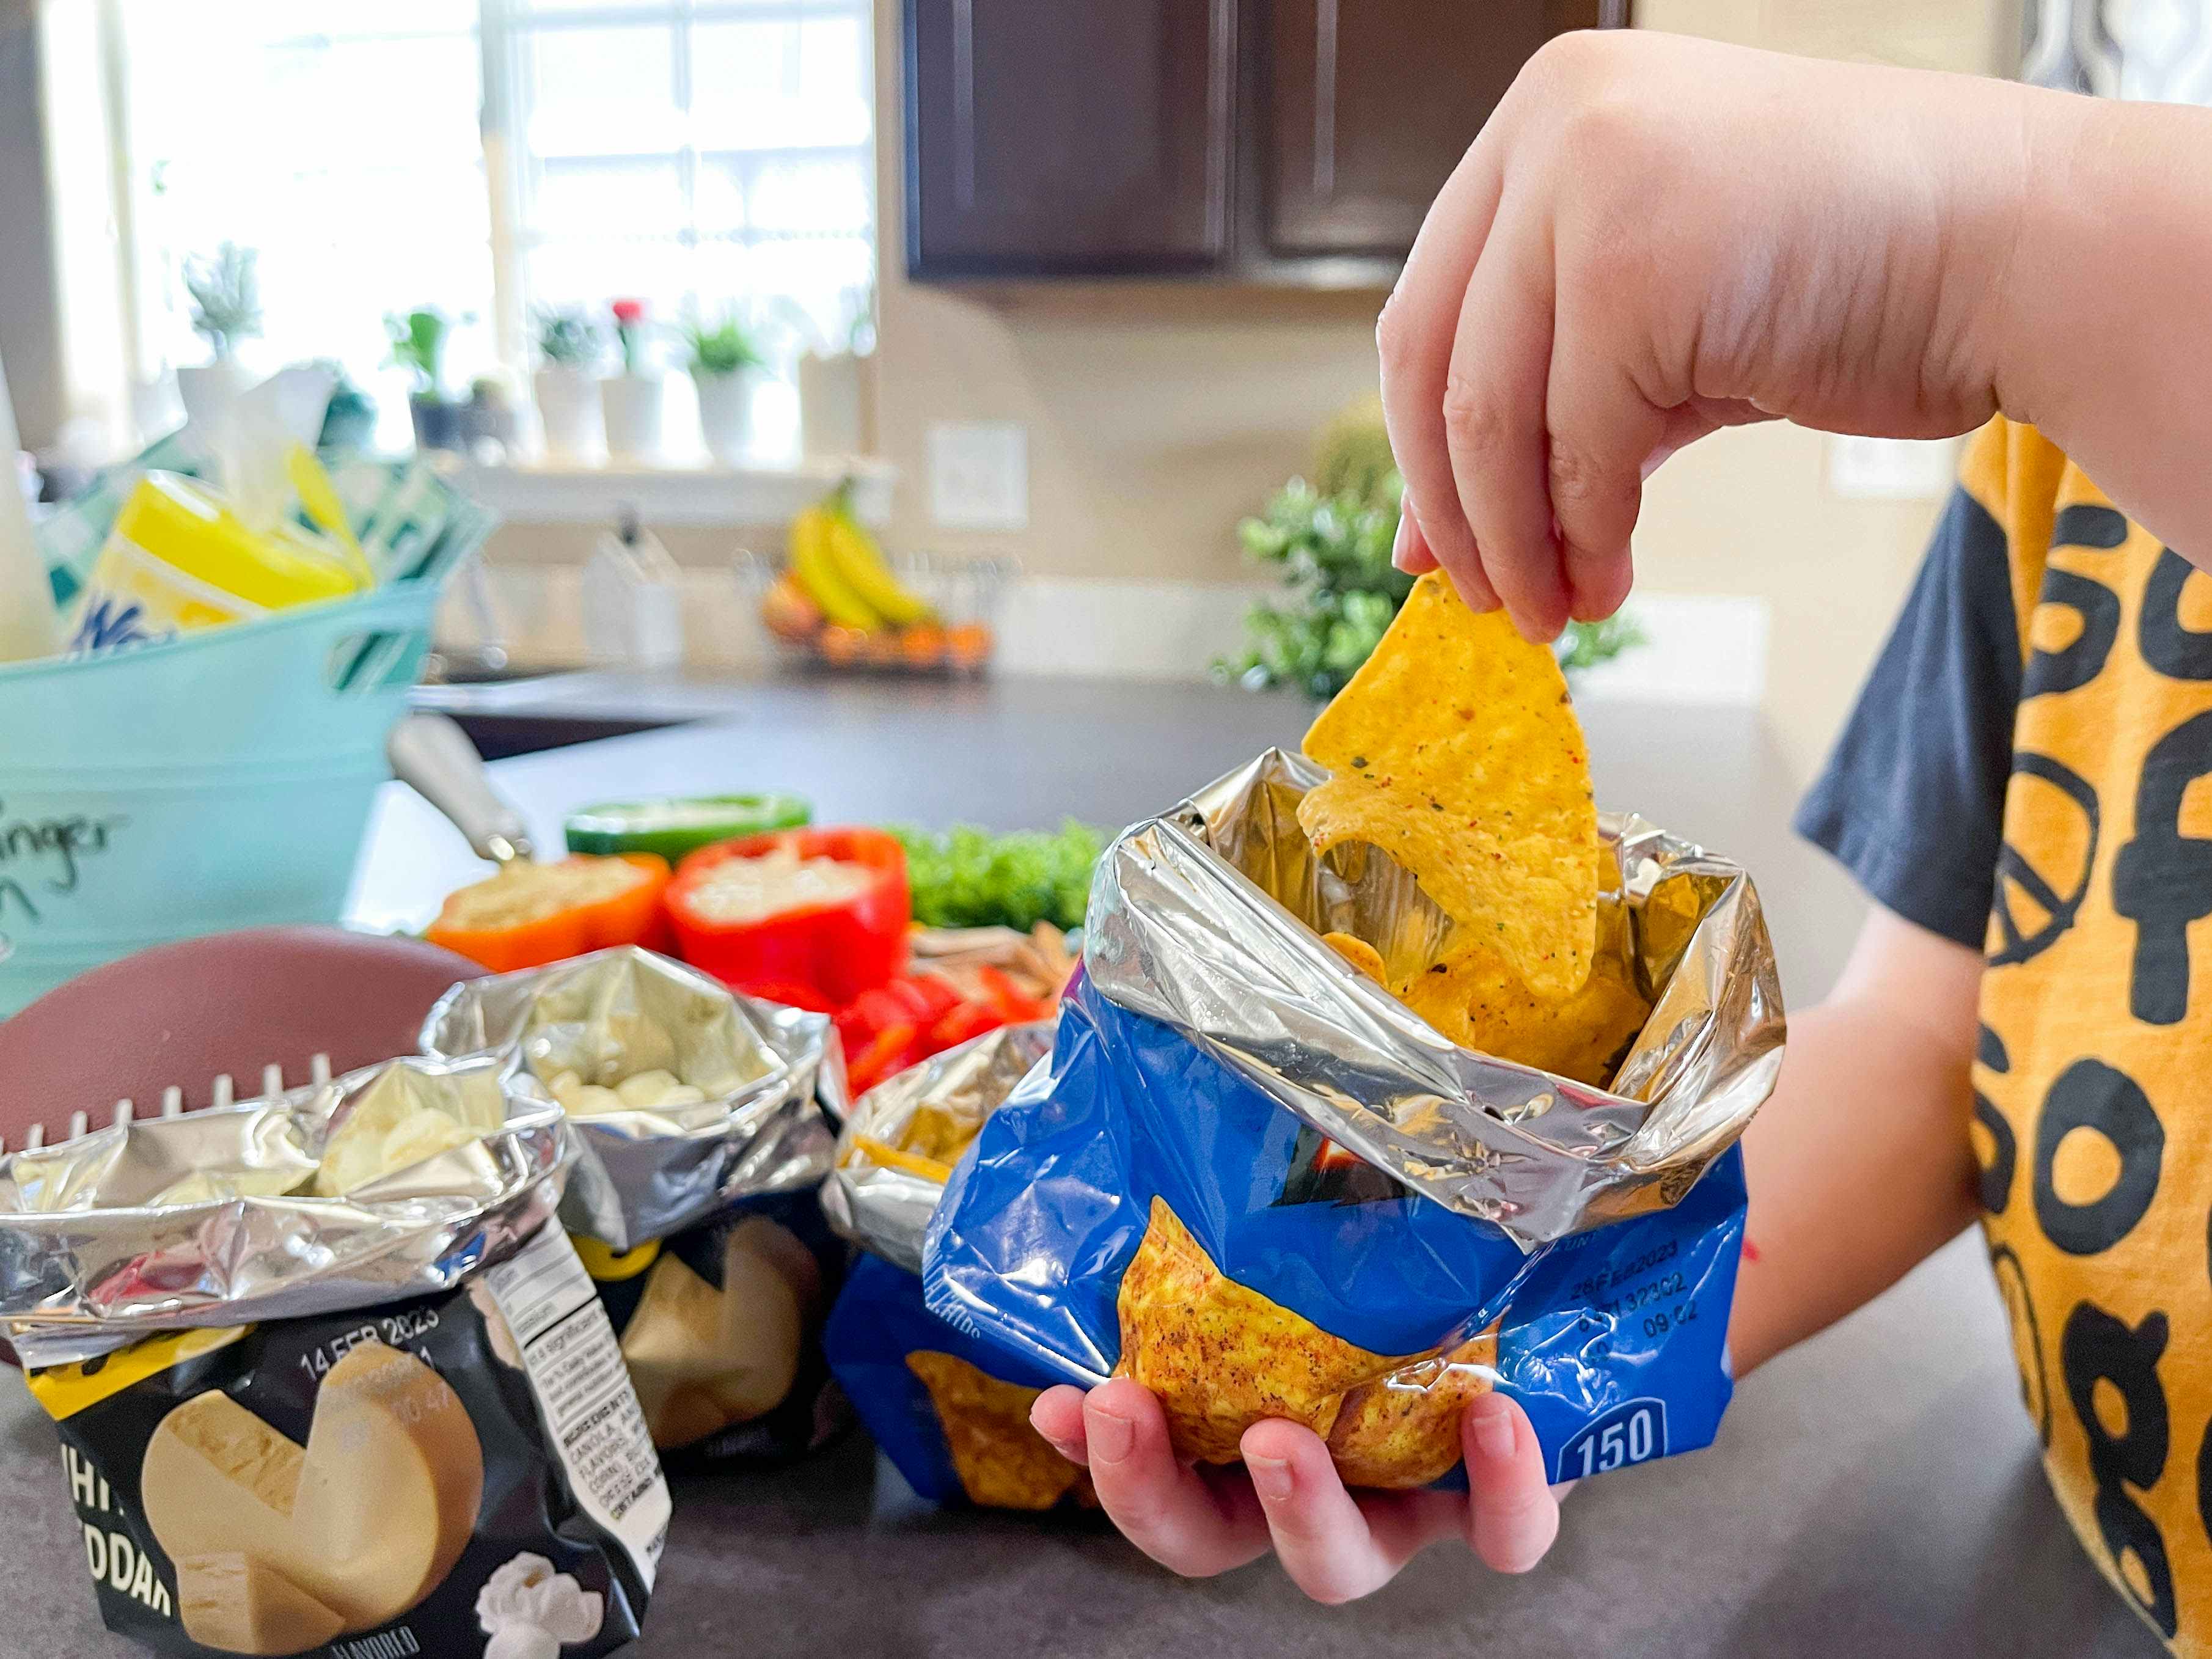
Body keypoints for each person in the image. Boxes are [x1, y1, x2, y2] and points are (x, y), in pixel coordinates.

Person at [1027, 27, 2212, 1652]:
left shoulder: (2055, 311)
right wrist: (1565, 1338)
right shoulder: (2054, 445)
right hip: (2101, 1552)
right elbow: (1948, 1029)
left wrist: (2000, 233)